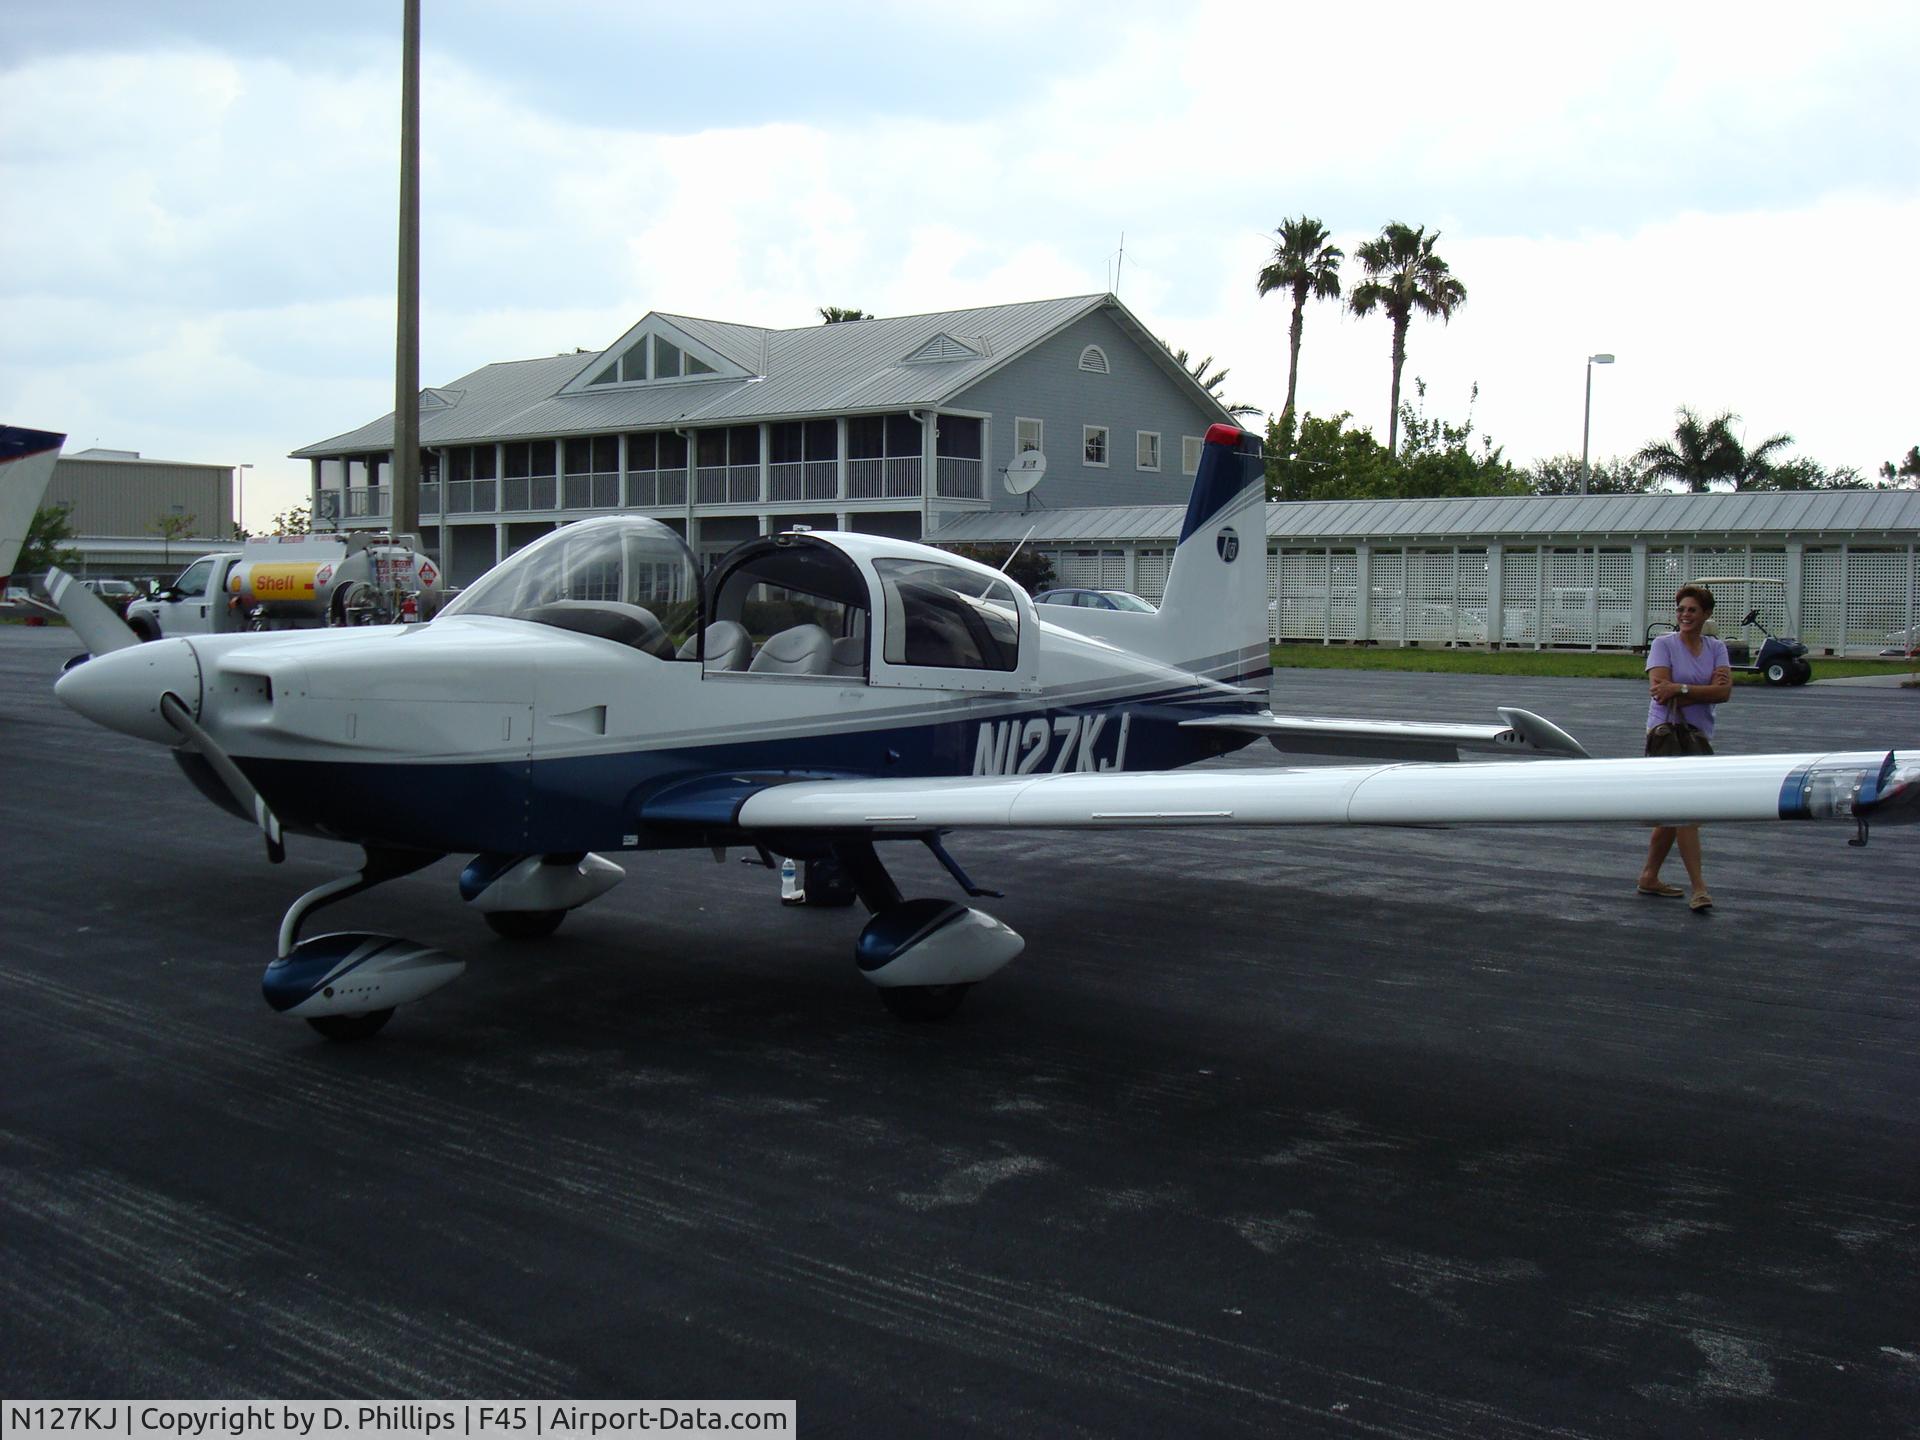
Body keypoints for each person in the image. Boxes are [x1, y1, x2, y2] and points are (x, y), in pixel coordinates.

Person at [1638, 584, 1733, 911]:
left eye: (1692, 610)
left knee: (1671, 813)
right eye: (1681, 609)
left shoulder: (1716, 648)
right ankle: (1700, 888)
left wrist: (1679, 687)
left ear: (1706, 614)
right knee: (1686, 811)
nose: (1685, 615)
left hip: (1698, 733)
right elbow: (1658, 691)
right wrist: (1699, 689)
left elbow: (1723, 693)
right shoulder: (1663, 645)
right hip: (1666, 735)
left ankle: (1649, 876)